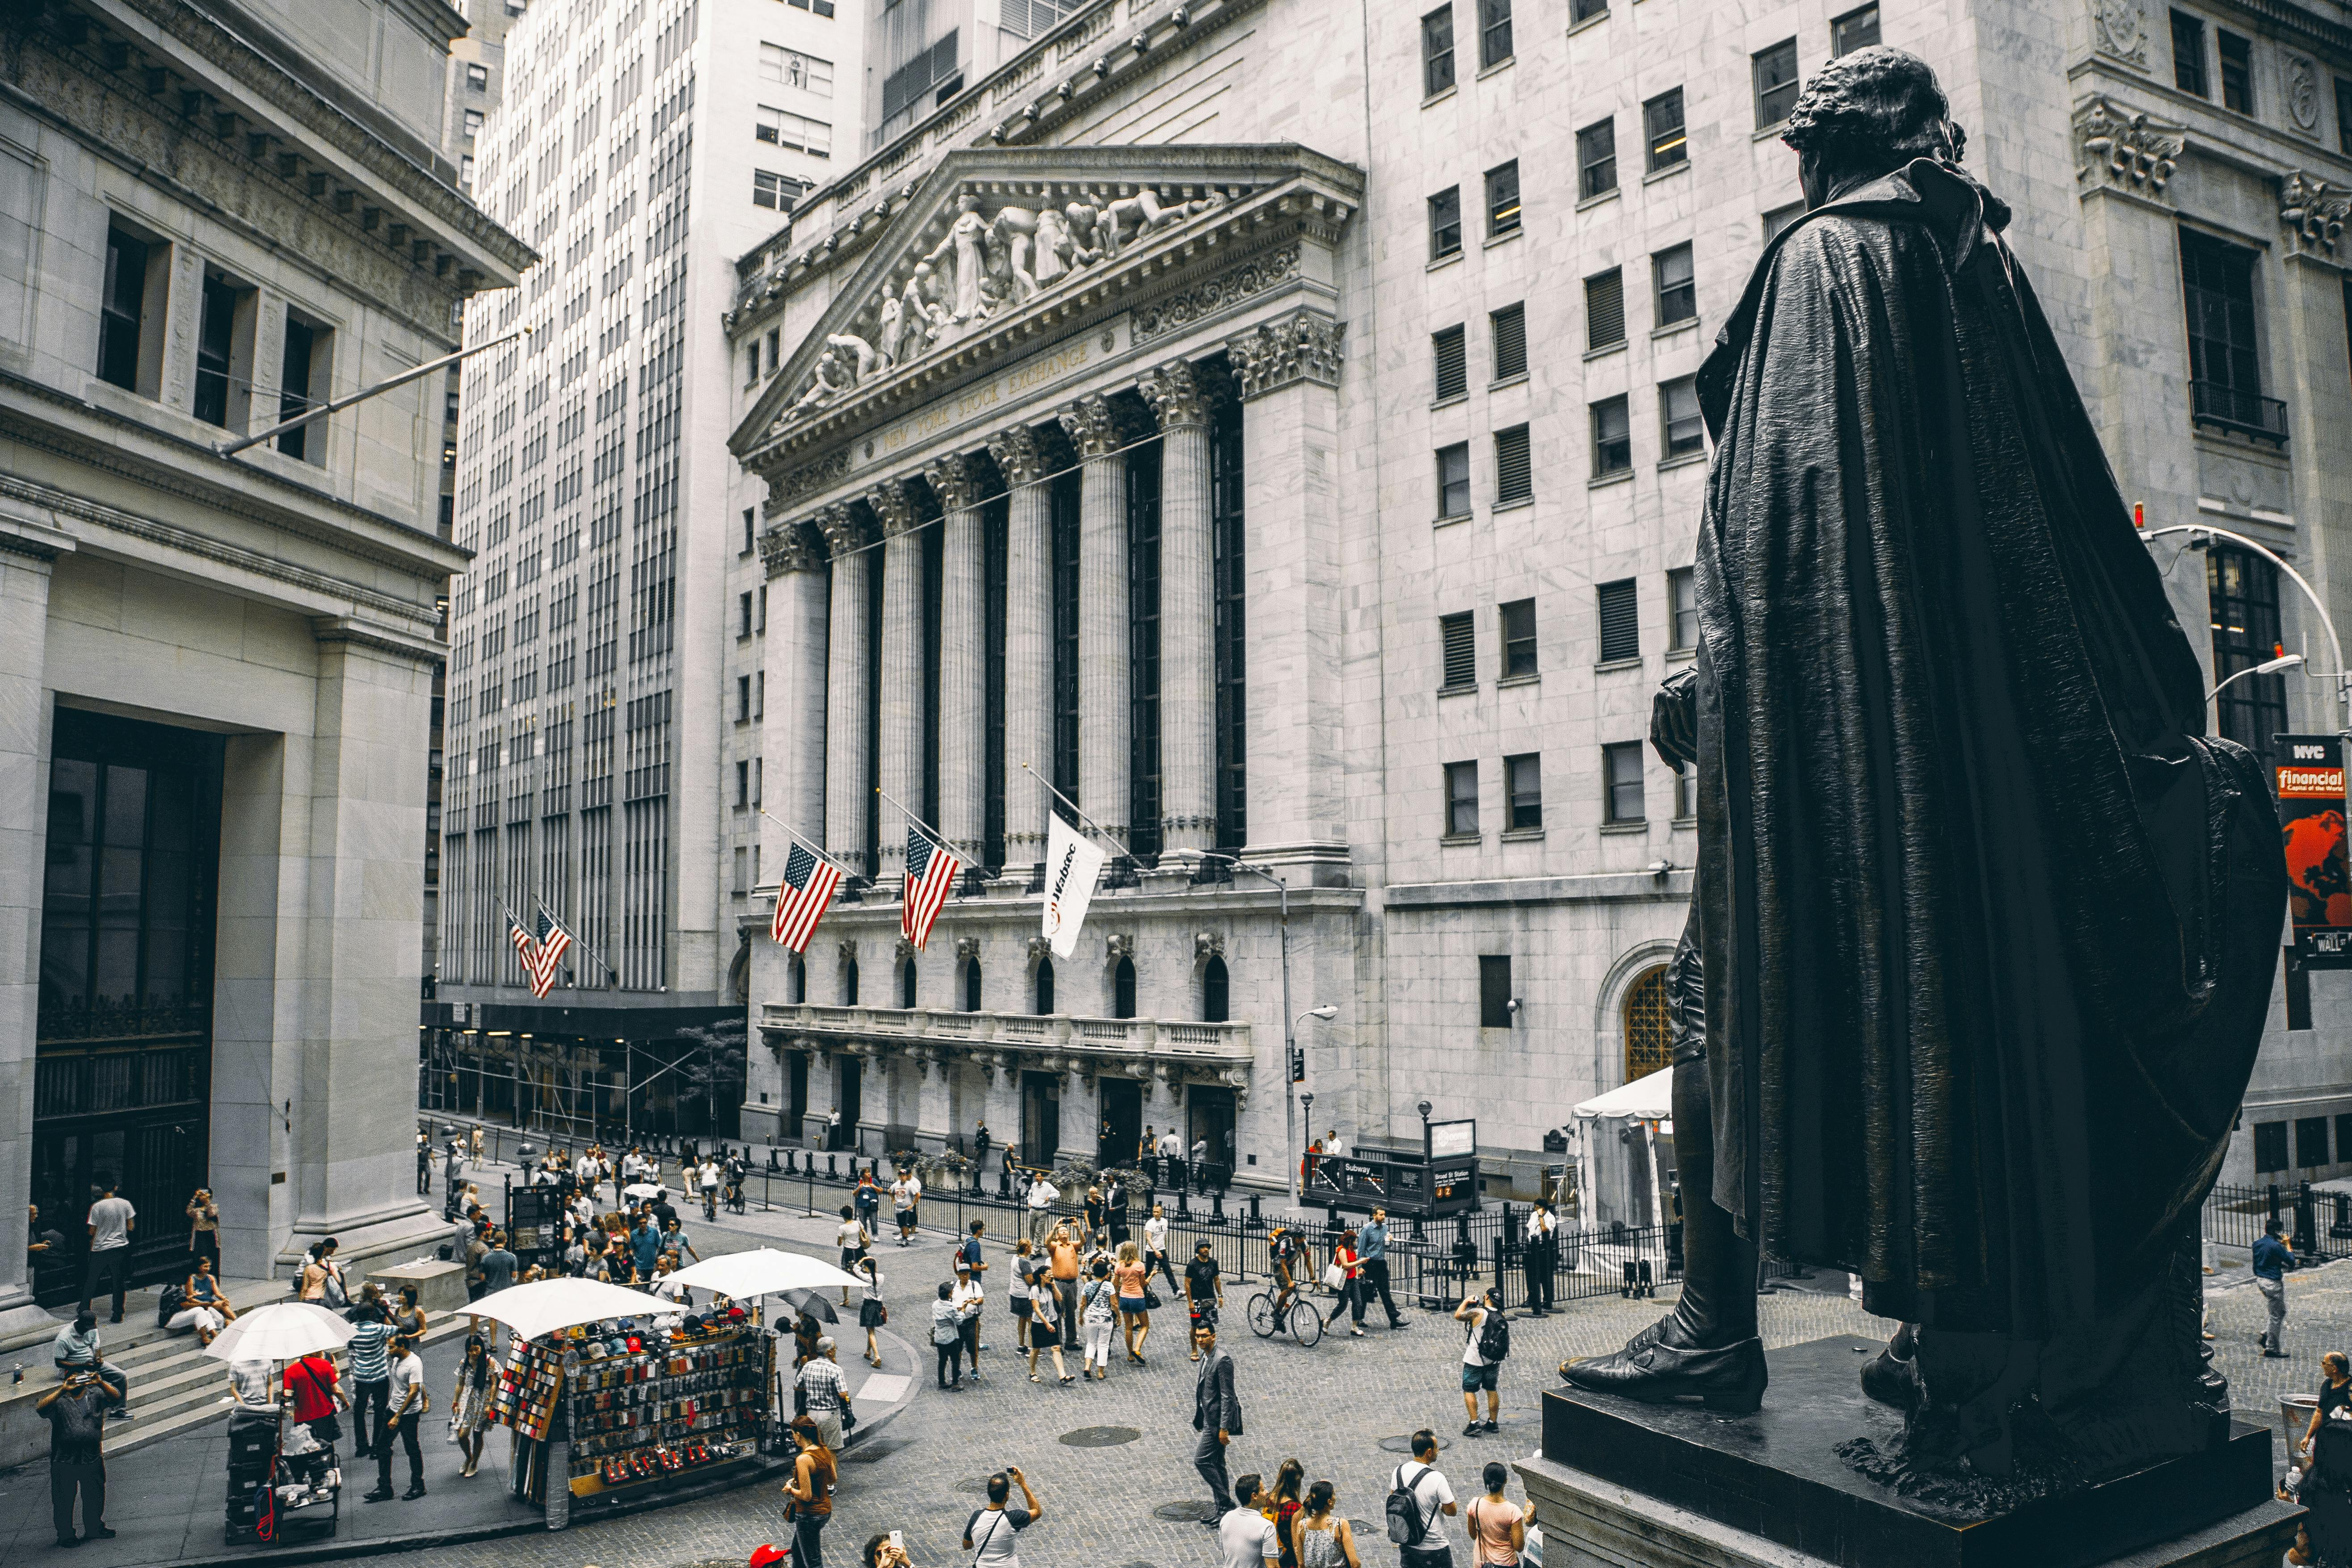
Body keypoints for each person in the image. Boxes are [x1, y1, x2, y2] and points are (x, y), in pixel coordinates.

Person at [40, 1365, 118, 1547]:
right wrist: (62, 1390)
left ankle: (94, 1527)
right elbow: (40, 1408)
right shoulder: (60, 1401)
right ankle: (66, 1535)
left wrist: (101, 1382)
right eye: (73, 1379)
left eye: (80, 1378)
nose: (77, 1381)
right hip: (65, 1460)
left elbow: (116, 1397)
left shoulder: (96, 1395)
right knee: (64, 1499)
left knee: (95, 1495)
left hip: (91, 1456)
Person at [1194, 1320, 1243, 1515]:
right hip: (1208, 1417)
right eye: (1198, 1336)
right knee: (1217, 1463)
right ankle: (1222, 1510)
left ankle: (1226, 1502)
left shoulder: (1222, 1359)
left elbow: (1227, 1396)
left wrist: (1224, 1428)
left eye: (1204, 1336)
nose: (1200, 1340)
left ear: (1213, 1336)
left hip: (1216, 1422)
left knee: (1202, 1460)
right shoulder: (1207, 1357)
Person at [1390, 1431, 1458, 1568]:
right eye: (1436, 1447)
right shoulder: (1437, 1478)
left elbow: (1393, 1499)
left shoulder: (1398, 1472)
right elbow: (1452, 1511)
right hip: (1435, 1547)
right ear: (1429, 1452)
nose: (1437, 1451)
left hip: (1408, 1542)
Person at [783, 1414, 838, 1568]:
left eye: (793, 1434)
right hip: (824, 1511)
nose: (793, 1438)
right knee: (798, 1551)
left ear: (799, 1435)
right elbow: (833, 1478)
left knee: (813, 1562)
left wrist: (791, 1489)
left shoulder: (803, 1459)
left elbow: (806, 1496)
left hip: (809, 1514)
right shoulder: (824, 1450)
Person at [53, 1311, 130, 1418]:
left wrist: (98, 1358)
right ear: (80, 1324)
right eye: (87, 1328)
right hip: (74, 1368)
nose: (89, 1330)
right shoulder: (64, 1338)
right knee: (93, 1385)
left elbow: (96, 1347)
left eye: (91, 1327)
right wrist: (81, 1365)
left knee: (121, 1375)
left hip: (91, 1363)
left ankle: (118, 1410)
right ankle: (90, 1416)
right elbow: (59, 1362)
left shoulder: (92, 1329)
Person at [344, 1299, 395, 1456]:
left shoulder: (352, 1329)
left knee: (359, 1411)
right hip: (380, 1376)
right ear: (372, 1314)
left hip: (361, 1376)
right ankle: (377, 1446)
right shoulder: (378, 1329)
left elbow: (351, 1345)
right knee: (380, 1411)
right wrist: (387, 1312)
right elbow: (403, 1329)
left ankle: (362, 1446)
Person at [963, 1467, 1042, 1568]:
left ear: (989, 1493)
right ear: (1007, 1495)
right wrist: (1023, 1484)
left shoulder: (976, 1517)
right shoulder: (1013, 1519)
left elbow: (967, 1545)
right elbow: (1037, 1511)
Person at [80, 1178, 135, 1321]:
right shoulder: (126, 1204)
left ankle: (84, 1309)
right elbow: (131, 1227)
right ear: (115, 1188)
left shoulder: (97, 1207)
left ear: (101, 1190)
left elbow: (92, 1231)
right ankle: (118, 1313)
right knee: (118, 1282)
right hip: (119, 1247)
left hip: (100, 1248)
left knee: (92, 1280)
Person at [1455, 1286, 1506, 1436]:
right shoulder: (1501, 1314)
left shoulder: (1479, 1312)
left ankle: (1474, 1423)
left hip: (1475, 1359)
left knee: (1469, 1389)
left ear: (1487, 1298)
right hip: (1494, 1359)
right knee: (1491, 1389)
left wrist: (1466, 1301)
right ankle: (1493, 1422)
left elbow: (1458, 1315)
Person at [1465, 1463, 1532, 1567]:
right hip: (1506, 1563)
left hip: (1483, 1563)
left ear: (1486, 1481)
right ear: (1505, 1480)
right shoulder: (1513, 1511)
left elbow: (1473, 1535)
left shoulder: (1475, 1505)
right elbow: (1519, 1546)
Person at [451, 1332, 493, 1477]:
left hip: (483, 1401)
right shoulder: (465, 1363)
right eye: (470, 1350)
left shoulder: (489, 1362)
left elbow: (494, 1385)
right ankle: (469, 1457)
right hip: (467, 1401)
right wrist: (455, 1401)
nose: (473, 1353)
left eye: (476, 1350)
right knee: (462, 1434)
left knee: (477, 1433)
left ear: (482, 1348)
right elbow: (460, 1383)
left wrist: (490, 1404)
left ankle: (474, 1462)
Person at [1218, 1474, 1281, 1568]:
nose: (1267, 1492)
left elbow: (1227, 1555)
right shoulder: (1266, 1527)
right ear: (1254, 1496)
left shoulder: (1226, 1518)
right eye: (1263, 1490)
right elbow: (1273, 1566)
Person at [799, 1334, 849, 1452]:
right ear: (830, 1352)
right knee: (830, 1450)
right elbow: (843, 1394)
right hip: (830, 1413)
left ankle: (815, 1468)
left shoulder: (808, 1366)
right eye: (835, 1348)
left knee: (814, 1448)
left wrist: (811, 1388)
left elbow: (797, 1386)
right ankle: (830, 1470)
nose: (836, 1350)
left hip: (812, 1414)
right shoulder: (836, 1369)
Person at [1296, 1480, 1362, 1568]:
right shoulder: (1340, 1525)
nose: (1335, 1497)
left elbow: (1301, 1564)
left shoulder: (1302, 1526)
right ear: (1329, 1501)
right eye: (1334, 1494)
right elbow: (1355, 1563)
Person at [173, 1253, 234, 1344]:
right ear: (199, 1267)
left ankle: (236, 1320)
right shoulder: (192, 1279)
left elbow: (217, 1292)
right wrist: (201, 1303)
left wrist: (224, 1298)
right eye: (205, 1266)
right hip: (198, 1303)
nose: (208, 1268)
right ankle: (215, 1332)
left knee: (224, 1304)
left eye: (209, 1266)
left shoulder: (211, 1278)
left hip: (209, 1302)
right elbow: (191, 1298)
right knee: (208, 1311)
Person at [1026, 1265, 1072, 1383]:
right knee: (1036, 1349)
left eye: (1052, 1275)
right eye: (1049, 1275)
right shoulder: (1035, 1289)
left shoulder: (1050, 1287)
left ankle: (1063, 1376)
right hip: (1039, 1323)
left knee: (1056, 1347)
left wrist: (1054, 1285)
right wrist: (1046, 1324)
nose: (1051, 1277)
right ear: (1042, 1276)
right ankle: (1032, 1372)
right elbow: (1036, 1309)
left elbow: (1060, 1298)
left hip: (1052, 1320)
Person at [2258, 1219, 2293, 1359]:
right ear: (2277, 1231)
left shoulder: (2258, 1243)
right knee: (2276, 1315)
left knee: (2280, 1311)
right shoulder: (2276, 1246)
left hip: (2261, 1280)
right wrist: (2288, 1245)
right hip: (2273, 1283)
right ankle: (2272, 1348)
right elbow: (2291, 1262)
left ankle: (2267, 1334)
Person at [1080, 1258, 1119, 1380]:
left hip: (1090, 1318)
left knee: (1091, 1343)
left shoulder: (1088, 1285)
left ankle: (1087, 1366)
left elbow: (1082, 1304)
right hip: (1105, 1319)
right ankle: (1101, 1372)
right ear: (1106, 1274)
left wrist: (1081, 1316)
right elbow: (1114, 1304)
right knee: (1103, 1345)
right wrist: (1119, 1316)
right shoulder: (1109, 1286)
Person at [1115, 1240, 1153, 1362]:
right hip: (1137, 1297)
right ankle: (1137, 1349)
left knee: (1128, 1328)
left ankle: (1130, 1355)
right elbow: (1143, 1285)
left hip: (1124, 1297)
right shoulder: (1139, 1265)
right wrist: (1151, 1276)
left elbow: (1116, 1284)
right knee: (1145, 1325)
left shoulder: (1119, 1265)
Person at [1186, 1240, 1225, 1359]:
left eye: (1207, 1247)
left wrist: (1220, 1296)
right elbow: (1187, 1284)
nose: (1206, 1249)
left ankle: (1210, 1349)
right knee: (1195, 1325)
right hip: (1197, 1300)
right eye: (1203, 1247)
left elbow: (1217, 1280)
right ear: (1198, 1250)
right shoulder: (1192, 1265)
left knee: (1210, 1324)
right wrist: (1190, 1302)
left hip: (1210, 1299)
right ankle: (1194, 1350)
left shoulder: (1213, 1263)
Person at [1267, 1459, 1306, 1568]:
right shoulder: (1295, 1508)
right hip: (1288, 1557)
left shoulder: (1268, 1499)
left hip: (1270, 1552)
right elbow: (1296, 1540)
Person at [953, 1260, 988, 1380]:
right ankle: (957, 1369)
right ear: (958, 1275)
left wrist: (973, 1301)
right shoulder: (954, 1287)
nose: (966, 1276)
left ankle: (974, 1368)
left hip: (971, 1321)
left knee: (973, 1346)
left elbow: (981, 1299)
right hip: (957, 1322)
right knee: (957, 1347)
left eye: (968, 1274)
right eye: (963, 1274)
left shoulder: (974, 1285)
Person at [1046, 1219, 1082, 1330]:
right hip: (1059, 1283)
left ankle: (1071, 1341)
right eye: (1062, 1231)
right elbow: (1047, 1242)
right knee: (1058, 1311)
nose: (1064, 1232)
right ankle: (1057, 1341)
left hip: (1072, 1284)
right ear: (1057, 1235)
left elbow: (1083, 1241)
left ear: (1069, 1234)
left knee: (1071, 1312)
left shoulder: (1073, 1245)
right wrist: (1055, 1227)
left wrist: (1078, 1228)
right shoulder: (1055, 1246)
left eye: (1066, 1230)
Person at [1523, 1202, 1557, 1317]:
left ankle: (1547, 1299)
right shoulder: (1533, 1215)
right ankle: (1531, 1297)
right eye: (1535, 1207)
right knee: (1530, 1273)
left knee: (1544, 1274)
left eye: (1538, 1207)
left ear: (1544, 1208)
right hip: (1532, 1246)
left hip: (1543, 1247)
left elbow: (1545, 1230)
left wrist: (1541, 1217)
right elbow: (1530, 1229)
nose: (1535, 1209)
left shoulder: (1550, 1218)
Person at [932, 1281, 967, 1389]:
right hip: (950, 1337)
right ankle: (955, 1383)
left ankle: (942, 1382)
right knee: (955, 1360)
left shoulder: (935, 1304)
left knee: (942, 1360)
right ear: (949, 1294)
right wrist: (963, 1312)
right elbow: (959, 1321)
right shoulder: (950, 1307)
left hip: (939, 1336)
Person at [1332, 1230, 1366, 1337]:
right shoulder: (1341, 1250)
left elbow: (1353, 1264)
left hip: (1353, 1279)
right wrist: (1361, 1262)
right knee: (1343, 1305)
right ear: (1350, 1241)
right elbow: (1346, 1265)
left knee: (1358, 1302)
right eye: (1354, 1241)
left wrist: (1359, 1271)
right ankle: (1328, 1321)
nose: (1356, 1243)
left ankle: (1354, 1327)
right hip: (1344, 1281)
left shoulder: (1352, 1250)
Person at [1268, 1224, 1304, 1324]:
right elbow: (1282, 1264)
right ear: (1295, 1237)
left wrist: (1313, 1278)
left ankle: (1279, 1321)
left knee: (1289, 1290)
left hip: (1289, 1264)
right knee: (1287, 1289)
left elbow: (1308, 1260)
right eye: (1301, 1238)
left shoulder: (1303, 1243)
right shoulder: (1285, 1243)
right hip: (1279, 1264)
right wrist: (1289, 1282)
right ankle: (1276, 1313)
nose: (1303, 1239)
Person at [837, 1205, 872, 1307]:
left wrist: (843, 1238)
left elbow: (839, 1243)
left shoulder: (842, 1228)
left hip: (848, 1253)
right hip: (859, 1252)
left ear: (843, 1216)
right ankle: (867, 1297)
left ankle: (846, 1299)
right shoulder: (858, 1223)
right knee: (861, 1274)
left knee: (846, 1275)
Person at [186, 1187, 221, 1271]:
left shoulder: (213, 1207)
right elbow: (189, 1211)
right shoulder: (197, 1211)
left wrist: (208, 1202)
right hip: (200, 1235)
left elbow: (211, 1214)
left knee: (210, 1257)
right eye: (201, 1196)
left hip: (210, 1235)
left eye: (204, 1196)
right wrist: (195, 1197)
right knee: (198, 1257)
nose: (203, 1197)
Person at [480, 1229, 520, 1295]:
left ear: (495, 1241)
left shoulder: (485, 1258)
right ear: (505, 1240)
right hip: (506, 1292)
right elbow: (514, 1276)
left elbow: (482, 1278)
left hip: (491, 1293)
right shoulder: (512, 1257)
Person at [1026, 1169, 1060, 1245]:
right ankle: (1035, 1246)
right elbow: (1030, 1195)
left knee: (1039, 1231)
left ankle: (1036, 1249)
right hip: (1033, 1211)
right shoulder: (1034, 1185)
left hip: (1042, 1211)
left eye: (1039, 1176)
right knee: (1033, 1230)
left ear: (1042, 1177)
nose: (1037, 1178)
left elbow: (1057, 1194)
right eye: (1036, 1176)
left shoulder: (1047, 1186)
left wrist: (1049, 1196)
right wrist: (1029, 1202)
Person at [892, 1168, 921, 1246]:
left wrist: (912, 1205)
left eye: (904, 1176)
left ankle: (905, 1240)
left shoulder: (910, 1185)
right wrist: (893, 1200)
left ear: (906, 1176)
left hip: (907, 1209)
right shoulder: (896, 1184)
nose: (903, 1177)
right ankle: (904, 1238)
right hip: (899, 1208)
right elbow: (890, 1191)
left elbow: (918, 1195)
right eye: (901, 1176)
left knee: (905, 1224)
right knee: (901, 1224)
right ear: (899, 1177)